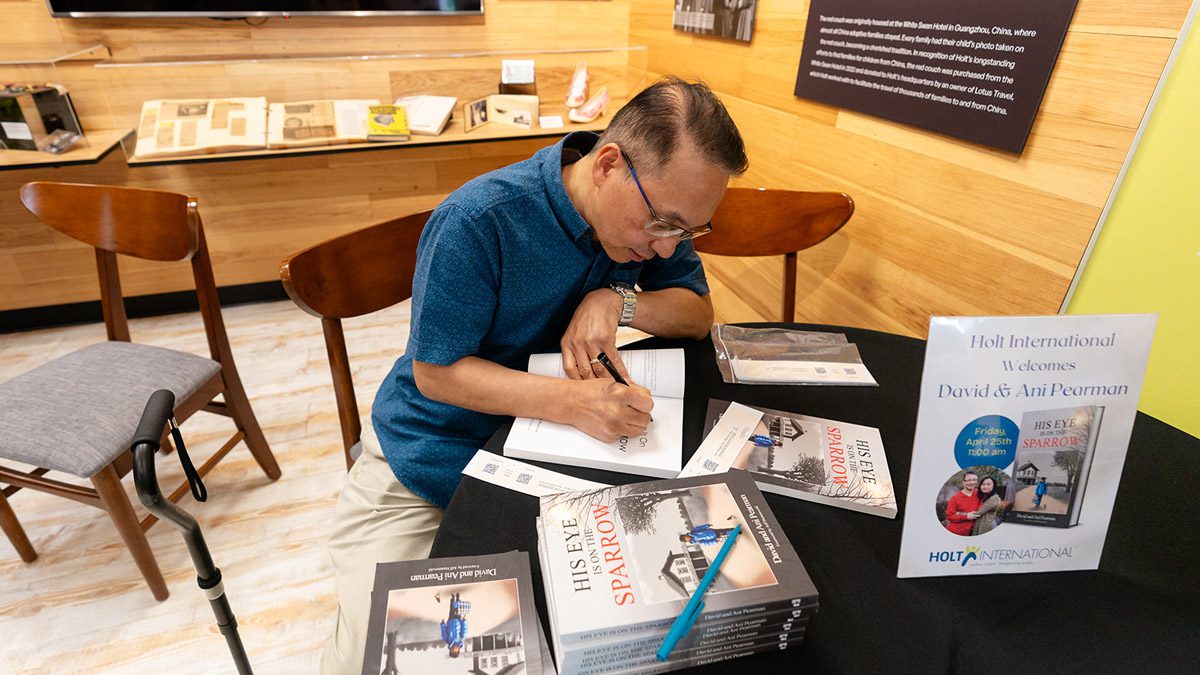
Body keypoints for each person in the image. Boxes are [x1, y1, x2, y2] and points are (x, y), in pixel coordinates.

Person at [322, 77, 748, 674]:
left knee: (625, 626)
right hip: (431, 450)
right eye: (661, 223)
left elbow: (697, 314)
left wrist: (618, 300)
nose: (664, 248)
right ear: (607, 165)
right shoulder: (480, 218)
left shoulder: (654, 215)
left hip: (546, 454)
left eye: (687, 231)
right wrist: (573, 403)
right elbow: (436, 374)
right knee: (381, 654)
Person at [943, 471, 980, 536]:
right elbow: (949, 516)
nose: (972, 482)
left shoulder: (979, 494)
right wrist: (966, 516)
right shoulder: (955, 498)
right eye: (969, 480)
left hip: (971, 533)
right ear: (963, 482)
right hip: (955, 533)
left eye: (974, 480)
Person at [439, 592, 469, 658]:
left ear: (450, 650)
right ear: (458, 650)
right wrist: (464, 621)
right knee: (458, 609)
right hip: (458, 621)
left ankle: (452, 598)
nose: (455, 649)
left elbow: (444, 632)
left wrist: (443, 624)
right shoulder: (461, 639)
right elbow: (464, 630)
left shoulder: (447, 640)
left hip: (450, 620)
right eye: (456, 650)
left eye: (453, 650)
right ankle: (458, 597)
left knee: (452, 609)